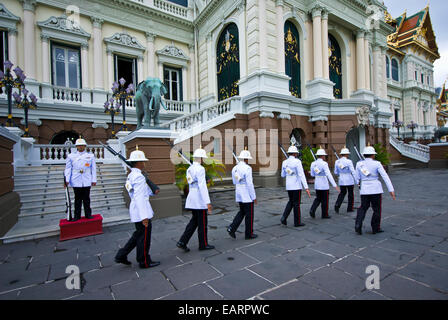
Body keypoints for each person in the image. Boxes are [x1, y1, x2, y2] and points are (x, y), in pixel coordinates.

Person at [115, 147, 160, 268]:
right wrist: (144, 216)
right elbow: (140, 196)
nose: (144, 163)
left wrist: (152, 191)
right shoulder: (139, 177)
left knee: (138, 235)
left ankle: (121, 255)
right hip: (141, 209)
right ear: (139, 163)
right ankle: (144, 261)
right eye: (143, 161)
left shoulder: (131, 176)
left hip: (136, 208)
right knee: (144, 238)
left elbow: (140, 192)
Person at [177, 146, 214, 252]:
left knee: (194, 222)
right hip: (199, 199)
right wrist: (208, 202)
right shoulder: (200, 169)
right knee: (202, 223)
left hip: (192, 198)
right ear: (201, 158)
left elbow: (192, 182)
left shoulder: (190, 169)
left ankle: (182, 241)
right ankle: (203, 244)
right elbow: (202, 187)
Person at [355, 145, 396, 235]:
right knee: (376, 209)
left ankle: (358, 224)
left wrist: (358, 184)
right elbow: (385, 176)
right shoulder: (377, 163)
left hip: (365, 189)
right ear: (373, 155)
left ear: (364, 155)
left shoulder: (359, 164)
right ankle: (375, 227)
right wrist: (391, 190)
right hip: (375, 189)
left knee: (363, 207)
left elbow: (356, 177)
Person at [227, 148, 258, 239]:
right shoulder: (248, 168)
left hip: (239, 192)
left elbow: (234, 181)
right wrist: (254, 196)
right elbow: (249, 184)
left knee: (242, 212)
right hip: (246, 193)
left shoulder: (234, 168)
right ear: (246, 159)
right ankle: (249, 234)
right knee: (249, 214)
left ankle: (232, 228)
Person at [64, 137, 97, 221]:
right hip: (76, 179)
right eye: (79, 146)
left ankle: (88, 214)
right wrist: (66, 180)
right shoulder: (71, 156)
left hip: (86, 179)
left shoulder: (90, 156)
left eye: (82, 145)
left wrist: (94, 180)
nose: (81, 147)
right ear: (76, 147)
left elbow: (93, 169)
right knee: (77, 199)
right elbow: (68, 168)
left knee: (87, 199)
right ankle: (77, 215)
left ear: (85, 146)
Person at [280, 145, 311, 227]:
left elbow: (282, 175)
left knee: (291, 201)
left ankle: (284, 217)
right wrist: (306, 187)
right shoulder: (297, 162)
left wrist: (287, 170)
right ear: (294, 153)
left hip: (289, 186)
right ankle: (297, 222)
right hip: (296, 185)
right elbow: (301, 175)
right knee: (296, 204)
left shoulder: (284, 162)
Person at [309, 147, 340, 219]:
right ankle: (324, 214)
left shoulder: (313, 163)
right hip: (323, 183)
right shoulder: (324, 164)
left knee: (318, 198)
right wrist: (335, 185)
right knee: (325, 200)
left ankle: (312, 209)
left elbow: (312, 175)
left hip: (317, 183)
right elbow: (328, 174)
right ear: (323, 156)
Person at [334, 146, 359, 214]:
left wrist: (341, 172)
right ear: (347, 154)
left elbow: (335, 172)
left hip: (341, 179)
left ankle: (337, 204)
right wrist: (357, 180)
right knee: (350, 194)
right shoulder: (349, 161)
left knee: (342, 193)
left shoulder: (337, 161)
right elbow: (353, 171)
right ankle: (349, 208)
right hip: (349, 179)